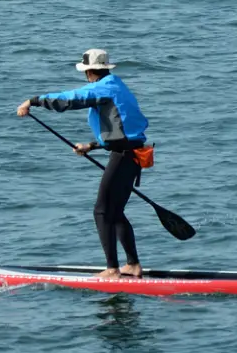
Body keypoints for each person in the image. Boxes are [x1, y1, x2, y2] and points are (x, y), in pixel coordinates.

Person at [16, 48, 151, 280]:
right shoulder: (117, 85)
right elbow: (125, 129)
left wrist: (34, 101)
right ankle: (133, 265)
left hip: (124, 157)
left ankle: (112, 270)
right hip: (131, 155)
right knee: (115, 211)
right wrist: (92, 145)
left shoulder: (102, 88)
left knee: (102, 211)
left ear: (89, 72)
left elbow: (70, 99)